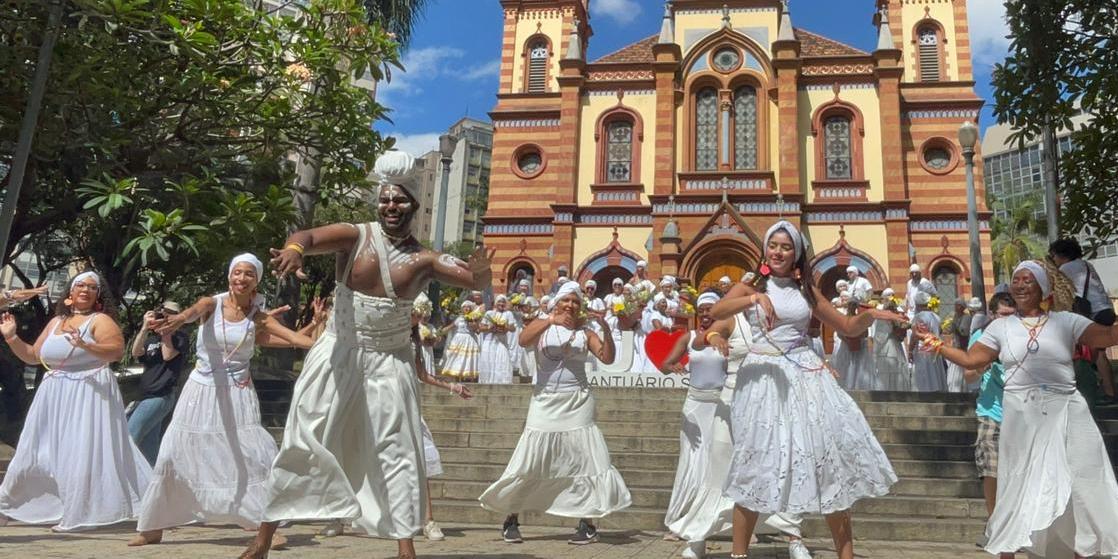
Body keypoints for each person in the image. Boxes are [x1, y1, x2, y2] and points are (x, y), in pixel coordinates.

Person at [239, 150, 493, 559]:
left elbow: (469, 277)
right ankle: (262, 539)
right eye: (385, 199)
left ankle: (405, 549)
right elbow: (307, 237)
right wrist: (295, 251)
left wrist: (482, 273)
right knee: (305, 439)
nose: (391, 206)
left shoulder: (423, 259)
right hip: (338, 354)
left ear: (414, 204)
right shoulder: (356, 236)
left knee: (398, 450)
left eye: (400, 200)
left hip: (389, 363)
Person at [710, 221, 899, 559]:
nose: (778, 252)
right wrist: (754, 297)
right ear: (765, 250)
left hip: (806, 375)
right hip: (764, 378)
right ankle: (739, 555)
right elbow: (715, 311)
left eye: (786, 247)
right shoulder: (751, 284)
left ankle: (846, 554)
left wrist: (871, 316)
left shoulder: (806, 290)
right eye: (773, 246)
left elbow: (845, 327)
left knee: (827, 458)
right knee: (756, 464)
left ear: (796, 254)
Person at [918, 261, 1118, 559]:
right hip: (1022, 416)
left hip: (1067, 412)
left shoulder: (1066, 321)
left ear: (1043, 288)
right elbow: (972, 360)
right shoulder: (1001, 326)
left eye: (1028, 280)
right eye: (1016, 279)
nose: (1020, 285)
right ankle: (1010, 549)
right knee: (1019, 483)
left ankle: (1084, 550)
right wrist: (937, 344)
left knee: (1083, 482)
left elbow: (1108, 336)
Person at [130, 254, 322, 547]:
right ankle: (154, 526)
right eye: (237, 272)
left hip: (238, 392)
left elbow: (295, 340)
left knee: (251, 457)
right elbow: (192, 312)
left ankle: (263, 526)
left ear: (256, 281)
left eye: (248, 274)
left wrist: (334, 340)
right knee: (171, 453)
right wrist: (178, 320)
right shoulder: (212, 304)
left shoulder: (258, 317)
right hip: (200, 390)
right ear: (230, 276)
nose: (241, 278)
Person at [479, 281, 629, 546]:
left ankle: (587, 522)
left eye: (575, 301)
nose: (570, 305)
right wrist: (550, 319)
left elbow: (607, 358)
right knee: (531, 458)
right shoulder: (543, 324)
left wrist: (604, 328)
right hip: (545, 401)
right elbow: (524, 339)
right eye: (566, 300)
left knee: (584, 460)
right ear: (556, 302)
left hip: (578, 401)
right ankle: (511, 519)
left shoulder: (585, 332)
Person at [0, 272, 151, 531]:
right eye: (80, 285)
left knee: (81, 450)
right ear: (70, 292)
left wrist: (86, 345)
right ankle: (10, 504)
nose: (86, 290)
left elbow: (115, 351)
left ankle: (81, 508)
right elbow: (33, 357)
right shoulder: (57, 321)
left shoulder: (100, 320)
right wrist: (12, 337)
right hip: (54, 393)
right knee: (38, 449)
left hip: (89, 393)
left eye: (92, 287)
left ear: (98, 295)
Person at [684, 289, 811, 559]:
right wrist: (714, 336)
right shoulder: (735, 319)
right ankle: (699, 537)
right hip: (731, 401)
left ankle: (793, 537)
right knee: (718, 471)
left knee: (777, 469)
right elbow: (697, 340)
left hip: (770, 404)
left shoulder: (780, 323)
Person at [963, 292, 1014, 533]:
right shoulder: (981, 337)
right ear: (992, 314)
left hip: (1019, 412)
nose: (1007, 320)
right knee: (991, 469)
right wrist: (984, 365)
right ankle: (994, 521)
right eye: (1003, 315)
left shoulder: (1021, 334)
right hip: (990, 411)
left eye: (1011, 316)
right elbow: (968, 375)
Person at [1050, 238, 1116, 404]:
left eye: (1054, 256)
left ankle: (1109, 392)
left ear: (1062, 255)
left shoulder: (1066, 268)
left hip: (1093, 311)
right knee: (1096, 352)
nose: (1054, 260)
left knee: (1097, 353)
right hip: (1106, 309)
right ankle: (1105, 387)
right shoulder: (1086, 264)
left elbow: (1059, 289)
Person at [127, 300, 190, 466]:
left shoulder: (180, 337)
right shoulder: (151, 339)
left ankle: (122, 476)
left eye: (170, 313)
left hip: (161, 395)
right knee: (149, 446)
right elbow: (136, 352)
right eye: (162, 313)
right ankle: (156, 480)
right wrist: (144, 328)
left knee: (129, 437)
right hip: (145, 395)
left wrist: (167, 331)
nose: (165, 316)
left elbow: (168, 355)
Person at [836, 293, 879, 391]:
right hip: (846, 347)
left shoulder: (860, 318)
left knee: (859, 368)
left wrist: (856, 337)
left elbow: (865, 333)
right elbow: (839, 332)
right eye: (850, 305)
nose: (851, 307)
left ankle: (858, 387)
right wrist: (847, 340)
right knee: (847, 368)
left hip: (860, 346)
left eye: (853, 305)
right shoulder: (843, 317)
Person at [909, 292, 946, 392]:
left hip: (923, 350)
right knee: (935, 372)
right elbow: (941, 331)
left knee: (924, 375)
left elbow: (915, 336)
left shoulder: (918, 317)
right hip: (935, 348)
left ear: (917, 304)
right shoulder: (936, 316)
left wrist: (910, 351)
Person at [872, 295, 910, 391]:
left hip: (887, 348)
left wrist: (875, 352)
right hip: (895, 346)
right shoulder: (897, 318)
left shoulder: (883, 319)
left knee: (886, 373)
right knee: (895, 371)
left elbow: (880, 337)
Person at [478, 294, 515, 384]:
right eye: (499, 301)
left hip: (502, 340)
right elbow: (481, 328)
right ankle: (487, 382)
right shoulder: (489, 313)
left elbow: (513, 328)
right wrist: (490, 328)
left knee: (503, 359)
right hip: (489, 341)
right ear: (495, 303)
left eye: (503, 302)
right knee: (488, 360)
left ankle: (502, 382)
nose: (501, 303)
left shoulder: (508, 314)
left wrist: (505, 327)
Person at [441, 301, 481, 381]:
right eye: (464, 307)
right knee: (457, 358)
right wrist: (441, 331)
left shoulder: (473, 317)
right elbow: (452, 326)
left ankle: (467, 378)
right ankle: (457, 377)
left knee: (467, 359)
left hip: (469, 340)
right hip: (458, 341)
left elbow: (477, 330)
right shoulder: (459, 319)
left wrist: (473, 322)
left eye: (468, 307)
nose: (466, 308)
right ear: (462, 309)